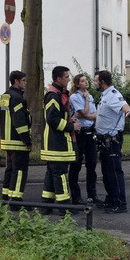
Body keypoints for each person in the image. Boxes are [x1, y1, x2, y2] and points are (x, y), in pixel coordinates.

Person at [95, 70, 130, 213]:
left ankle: (120, 202)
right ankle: (112, 198)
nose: (94, 83)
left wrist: (128, 112)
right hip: (104, 140)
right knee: (107, 172)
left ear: (102, 82)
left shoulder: (113, 95)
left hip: (112, 141)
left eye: (96, 81)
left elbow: (124, 107)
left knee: (114, 171)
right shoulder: (104, 96)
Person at [41, 65, 80, 209]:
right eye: (66, 77)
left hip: (55, 143)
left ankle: (46, 205)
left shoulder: (58, 93)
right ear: (58, 79)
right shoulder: (53, 95)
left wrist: (70, 121)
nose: (69, 79)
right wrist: (71, 127)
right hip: (56, 143)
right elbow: (52, 119)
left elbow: (58, 116)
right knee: (60, 174)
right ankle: (64, 207)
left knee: (52, 174)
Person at [0, 70, 31, 201]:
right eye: (23, 80)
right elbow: (20, 122)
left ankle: (6, 196)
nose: (25, 83)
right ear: (16, 81)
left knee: (10, 169)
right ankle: (16, 199)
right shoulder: (17, 98)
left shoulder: (5, 96)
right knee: (20, 171)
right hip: (17, 141)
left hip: (7, 140)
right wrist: (27, 141)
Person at [68, 73, 98, 205]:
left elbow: (95, 114)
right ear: (77, 84)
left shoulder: (90, 95)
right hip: (80, 133)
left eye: (86, 80)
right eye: (82, 81)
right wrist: (86, 102)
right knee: (76, 165)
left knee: (92, 164)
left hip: (90, 132)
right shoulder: (75, 97)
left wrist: (88, 115)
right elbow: (84, 113)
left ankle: (92, 194)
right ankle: (76, 195)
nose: (86, 82)